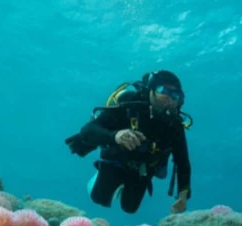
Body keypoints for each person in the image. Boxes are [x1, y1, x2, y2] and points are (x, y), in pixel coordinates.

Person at [64, 70, 192, 215]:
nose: (169, 99)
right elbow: (87, 130)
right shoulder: (129, 104)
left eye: (175, 96)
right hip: (117, 159)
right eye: (164, 91)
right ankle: (101, 172)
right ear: (151, 88)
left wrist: (183, 195)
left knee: (129, 208)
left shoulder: (174, 126)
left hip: (143, 169)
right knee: (99, 198)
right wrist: (115, 136)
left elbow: (183, 161)